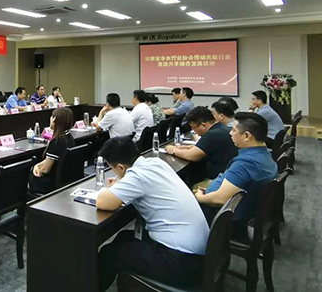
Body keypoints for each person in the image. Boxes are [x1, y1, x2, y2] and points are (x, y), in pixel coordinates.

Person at [96, 137, 209, 291]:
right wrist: (122, 184)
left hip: (181, 260)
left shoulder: (137, 176)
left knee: (110, 253)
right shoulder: (156, 163)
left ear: (121, 167)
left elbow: (103, 202)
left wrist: (109, 188)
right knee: (123, 237)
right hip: (197, 251)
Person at [195, 112, 278, 242]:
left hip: (224, 217)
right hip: (242, 208)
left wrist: (200, 198)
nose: (230, 133)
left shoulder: (245, 164)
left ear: (247, 136)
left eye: (233, 130)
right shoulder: (263, 154)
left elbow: (220, 199)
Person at [165, 106, 238, 188]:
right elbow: (209, 148)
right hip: (229, 177)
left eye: (193, 128)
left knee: (188, 185)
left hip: (219, 180)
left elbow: (191, 156)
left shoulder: (212, 134)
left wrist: (173, 150)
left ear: (203, 125)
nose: (194, 131)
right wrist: (191, 147)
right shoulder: (222, 128)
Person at [29, 107, 75, 194]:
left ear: (54, 119)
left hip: (51, 184)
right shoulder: (69, 137)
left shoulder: (57, 142)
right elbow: (49, 160)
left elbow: (46, 169)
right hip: (65, 180)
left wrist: (37, 170)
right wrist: (37, 165)